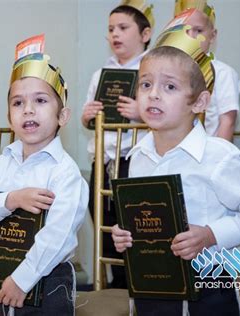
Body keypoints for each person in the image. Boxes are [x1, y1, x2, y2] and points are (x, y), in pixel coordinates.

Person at [112, 24, 240, 315]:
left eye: (169, 86)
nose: (153, 94)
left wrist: (210, 234)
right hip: (151, 288)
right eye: (145, 84)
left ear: (200, 102)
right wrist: (125, 232)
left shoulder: (218, 155)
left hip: (209, 290)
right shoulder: (137, 156)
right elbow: (143, 217)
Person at [0, 40, 89, 315]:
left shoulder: (65, 172)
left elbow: (56, 238)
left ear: (63, 116)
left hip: (48, 282)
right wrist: (11, 199)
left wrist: (21, 281)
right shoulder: (5, 162)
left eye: (41, 101)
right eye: (18, 103)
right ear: (9, 118)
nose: (28, 110)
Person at [81, 0, 154, 289]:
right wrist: (87, 118)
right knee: (103, 222)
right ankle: (113, 285)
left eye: (123, 28)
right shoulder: (101, 73)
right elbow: (90, 118)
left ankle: (140, 284)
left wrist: (141, 113)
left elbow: (170, 115)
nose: (115, 34)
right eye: (111, 29)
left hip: (137, 160)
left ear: (145, 34)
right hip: (104, 159)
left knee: (135, 226)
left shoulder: (153, 69)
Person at [174, 0, 240, 141]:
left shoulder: (223, 73)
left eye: (198, 30)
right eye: (184, 30)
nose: (191, 37)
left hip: (209, 152)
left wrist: (217, 157)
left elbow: (228, 120)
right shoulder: (171, 69)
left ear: (212, 35)